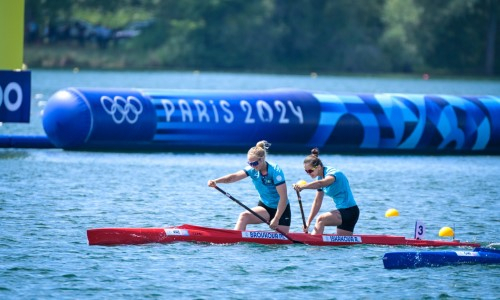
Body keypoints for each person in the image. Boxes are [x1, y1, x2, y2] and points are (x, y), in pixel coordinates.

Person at [208, 140, 291, 233]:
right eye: (250, 163)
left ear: (262, 159)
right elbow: (233, 177)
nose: (252, 166)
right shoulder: (252, 169)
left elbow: (283, 198)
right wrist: (216, 181)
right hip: (265, 207)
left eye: (254, 163)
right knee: (244, 216)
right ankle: (235, 242)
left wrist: (276, 218)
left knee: (281, 243)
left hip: (282, 209)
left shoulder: (275, 171)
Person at [293, 148, 359, 235]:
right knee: (343, 247)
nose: (308, 173)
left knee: (321, 219)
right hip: (343, 213)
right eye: (306, 171)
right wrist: (308, 222)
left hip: (349, 212)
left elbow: (321, 183)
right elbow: (317, 202)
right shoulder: (320, 177)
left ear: (319, 167)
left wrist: (303, 187)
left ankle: (313, 246)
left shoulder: (333, 173)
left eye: (310, 170)